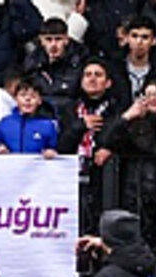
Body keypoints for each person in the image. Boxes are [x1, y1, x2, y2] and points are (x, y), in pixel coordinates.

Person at [103, 78, 156, 277]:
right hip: (137, 195)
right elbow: (107, 140)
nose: (152, 100)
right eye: (147, 95)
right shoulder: (134, 125)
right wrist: (128, 116)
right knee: (136, 253)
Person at [58, 58, 121, 235]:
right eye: (88, 75)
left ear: (108, 82)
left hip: (104, 178)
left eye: (98, 75)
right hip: (73, 175)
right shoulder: (70, 108)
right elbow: (62, 144)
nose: (92, 79)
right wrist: (80, 125)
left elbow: (122, 137)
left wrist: (110, 148)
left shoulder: (116, 108)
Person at [23, 17, 86, 115]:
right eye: (48, 39)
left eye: (58, 39)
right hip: (40, 116)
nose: (53, 45)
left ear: (66, 40)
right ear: (41, 40)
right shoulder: (32, 62)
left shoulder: (80, 61)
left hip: (71, 115)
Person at [0, 79, 59, 157]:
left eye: (33, 96)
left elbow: (54, 148)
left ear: (39, 100)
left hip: (37, 168)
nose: (28, 100)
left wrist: (51, 152)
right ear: (15, 98)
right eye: (23, 95)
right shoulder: (5, 123)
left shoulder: (48, 125)